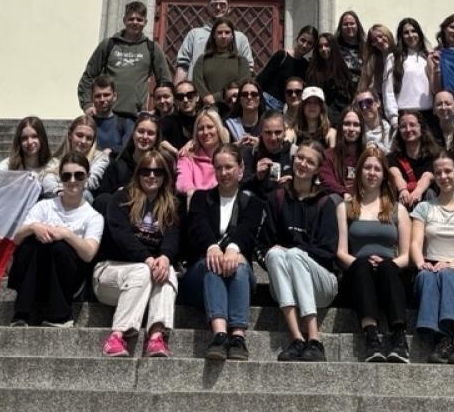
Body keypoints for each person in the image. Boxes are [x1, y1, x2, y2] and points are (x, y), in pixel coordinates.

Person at [92, 149, 181, 357]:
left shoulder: (172, 205)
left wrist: (165, 257)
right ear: (138, 174)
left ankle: (156, 337)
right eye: (146, 171)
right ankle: (117, 336)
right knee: (143, 270)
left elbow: (173, 237)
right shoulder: (121, 198)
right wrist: (148, 259)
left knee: (167, 271)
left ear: (165, 175)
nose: (151, 176)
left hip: (146, 277)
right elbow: (122, 236)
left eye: (157, 172)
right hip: (109, 273)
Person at [181, 144, 267, 361]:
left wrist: (232, 248)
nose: (224, 173)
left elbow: (248, 231)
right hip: (201, 274)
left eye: (229, 167)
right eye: (218, 168)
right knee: (213, 265)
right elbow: (198, 228)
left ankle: (237, 336)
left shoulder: (253, 202)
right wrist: (212, 247)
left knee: (237, 265)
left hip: (238, 272)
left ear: (241, 168)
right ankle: (220, 335)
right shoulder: (201, 198)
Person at [264, 139, 341, 360]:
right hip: (286, 281)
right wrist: (281, 253)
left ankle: (315, 339)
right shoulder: (276, 198)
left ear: (317, 169)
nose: (303, 164)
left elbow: (328, 251)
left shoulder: (325, 202)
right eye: (300, 158)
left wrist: (295, 250)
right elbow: (264, 245)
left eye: (310, 161)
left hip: (322, 283)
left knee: (294, 253)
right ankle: (297, 338)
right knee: (275, 253)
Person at [8, 153, 104, 326]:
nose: (72, 180)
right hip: (37, 275)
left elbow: (89, 254)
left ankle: (61, 315)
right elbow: (15, 239)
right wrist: (33, 228)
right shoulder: (44, 206)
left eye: (79, 175)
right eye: (67, 175)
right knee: (31, 243)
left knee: (60, 247)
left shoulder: (93, 216)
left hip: (68, 281)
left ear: (87, 177)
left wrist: (67, 235)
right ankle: (22, 312)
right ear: (60, 178)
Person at [335, 144, 411, 363]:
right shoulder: (346, 207)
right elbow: (341, 252)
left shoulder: (398, 209)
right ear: (359, 172)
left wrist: (388, 264)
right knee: (361, 264)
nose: (372, 173)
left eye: (377, 169)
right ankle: (371, 336)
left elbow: (406, 256)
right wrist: (365, 264)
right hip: (358, 276)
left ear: (384, 174)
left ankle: (399, 337)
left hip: (390, 275)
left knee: (389, 265)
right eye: (367, 168)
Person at [409, 153, 454, 364]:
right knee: (427, 277)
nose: (444, 176)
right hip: (430, 271)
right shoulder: (424, 208)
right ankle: (443, 338)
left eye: (448, 171)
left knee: (448, 275)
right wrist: (420, 262)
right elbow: (415, 243)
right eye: (438, 172)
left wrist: (450, 265)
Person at [78, 0, 171, 119]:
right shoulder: (109, 45)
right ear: (124, 20)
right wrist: (87, 104)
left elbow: (165, 82)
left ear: (145, 22)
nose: (135, 22)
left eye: (139, 19)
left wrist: (157, 111)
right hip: (106, 115)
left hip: (135, 118)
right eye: (131, 19)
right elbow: (88, 77)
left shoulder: (152, 48)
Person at [92, 113, 170, 208]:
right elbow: (101, 197)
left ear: (157, 138)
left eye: (150, 133)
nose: (145, 137)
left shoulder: (162, 166)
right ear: (133, 134)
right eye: (141, 131)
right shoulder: (117, 166)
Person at [174, 0, 254, 84]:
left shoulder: (240, 38)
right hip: (197, 92)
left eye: (222, 5)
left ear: (229, 9)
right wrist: (178, 91)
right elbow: (182, 65)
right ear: (208, 8)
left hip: (230, 94)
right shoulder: (194, 35)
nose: (218, 7)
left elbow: (247, 69)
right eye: (214, 5)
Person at [192, 17, 253, 109]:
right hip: (207, 108)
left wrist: (217, 97)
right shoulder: (203, 59)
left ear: (232, 36)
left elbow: (243, 84)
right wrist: (207, 98)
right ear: (213, 35)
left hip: (233, 110)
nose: (223, 36)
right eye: (219, 33)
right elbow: (197, 81)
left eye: (227, 32)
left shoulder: (241, 61)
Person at [382, 17, 433, 126]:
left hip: (429, 116)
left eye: (414, 31)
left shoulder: (429, 56)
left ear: (419, 33)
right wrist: (393, 118)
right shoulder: (393, 58)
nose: (410, 35)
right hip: (404, 115)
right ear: (401, 37)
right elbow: (388, 90)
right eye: (406, 33)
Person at [385, 107, 435, 209]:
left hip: (428, 204)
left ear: (421, 127)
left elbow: (428, 176)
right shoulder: (392, 157)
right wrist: (403, 190)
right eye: (403, 126)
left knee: (429, 192)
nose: (408, 130)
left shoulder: (434, 155)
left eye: (412, 125)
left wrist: (418, 191)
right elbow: (395, 175)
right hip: (403, 204)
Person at [50, 114, 110, 199]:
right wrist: (61, 192)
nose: (83, 141)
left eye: (88, 138)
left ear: (93, 141)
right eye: (79, 135)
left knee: (85, 194)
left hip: (83, 202)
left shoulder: (100, 158)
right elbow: (48, 181)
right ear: (70, 135)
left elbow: (91, 182)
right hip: (57, 200)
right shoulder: (55, 160)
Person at [0, 115, 57, 197]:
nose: (29, 142)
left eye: (34, 136)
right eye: (24, 138)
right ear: (19, 141)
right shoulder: (7, 165)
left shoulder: (55, 166)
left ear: (42, 138)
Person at [257, 24, 317, 105]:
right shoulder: (282, 56)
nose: (304, 45)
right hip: (267, 102)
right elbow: (262, 78)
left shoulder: (305, 65)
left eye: (309, 43)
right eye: (302, 40)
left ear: (312, 47)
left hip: (285, 108)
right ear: (297, 39)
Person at [241, 109, 294, 199]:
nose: (273, 138)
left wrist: (292, 185)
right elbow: (239, 186)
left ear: (285, 131)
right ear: (260, 132)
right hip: (258, 206)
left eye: (278, 132)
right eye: (268, 133)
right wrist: (257, 177)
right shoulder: (250, 154)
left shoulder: (294, 154)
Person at [175, 109, 228, 196]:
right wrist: (194, 195)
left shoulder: (230, 156)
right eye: (201, 129)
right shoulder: (187, 158)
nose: (205, 132)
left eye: (210, 127)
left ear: (218, 129)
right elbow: (182, 182)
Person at [306, 31, 354, 126]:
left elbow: (345, 96)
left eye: (327, 45)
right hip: (316, 118)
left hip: (338, 118)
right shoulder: (312, 70)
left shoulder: (341, 69)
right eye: (320, 46)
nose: (323, 49)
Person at [319, 107, 363, 196]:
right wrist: (344, 193)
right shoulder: (328, 155)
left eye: (356, 125)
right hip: (339, 200)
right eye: (347, 124)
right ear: (340, 126)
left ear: (362, 128)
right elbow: (327, 180)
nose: (351, 129)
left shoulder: (367, 155)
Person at [87, 74, 135, 155]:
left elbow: (128, 148)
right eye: (98, 96)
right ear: (92, 98)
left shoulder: (126, 123)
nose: (102, 99)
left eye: (106, 95)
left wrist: (112, 151)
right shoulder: (87, 124)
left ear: (114, 96)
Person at [357, 22, 394, 102]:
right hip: (382, 99)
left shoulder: (400, 53)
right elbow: (364, 82)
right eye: (375, 40)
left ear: (387, 34)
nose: (379, 41)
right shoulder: (374, 58)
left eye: (381, 36)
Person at [334, 9, 366, 94]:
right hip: (339, 95)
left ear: (358, 26)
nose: (349, 26)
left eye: (352, 23)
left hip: (361, 94)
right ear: (340, 27)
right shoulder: (334, 48)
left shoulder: (366, 48)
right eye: (345, 24)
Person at [162, 81, 200, 149]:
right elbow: (156, 135)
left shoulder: (204, 119)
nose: (185, 100)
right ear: (176, 101)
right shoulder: (169, 121)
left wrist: (193, 141)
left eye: (190, 95)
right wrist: (174, 151)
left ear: (197, 97)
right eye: (180, 97)